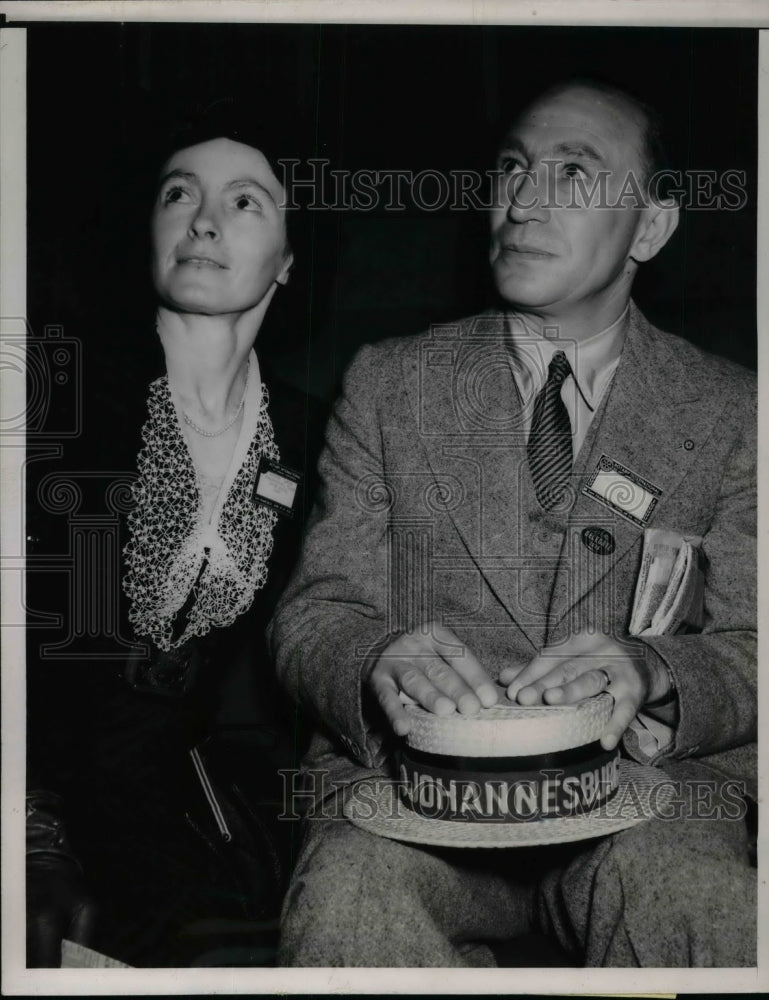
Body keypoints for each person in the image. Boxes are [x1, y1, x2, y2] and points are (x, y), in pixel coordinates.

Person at [268, 79, 757, 967]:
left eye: (572, 173)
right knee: (349, 899)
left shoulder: (733, 411)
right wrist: (375, 659)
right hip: (416, 791)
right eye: (511, 169)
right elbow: (314, 615)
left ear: (649, 228)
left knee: (698, 898)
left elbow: (755, 643)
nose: (523, 201)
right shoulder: (389, 383)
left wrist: (653, 669)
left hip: (648, 795)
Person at [26, 105, 326, 967]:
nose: (203, 220)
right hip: (34, 796)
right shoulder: (54, 389)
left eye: (244, 202)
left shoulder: (309, 435)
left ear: (288, 259)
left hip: (178, 804)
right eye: (179, 194)